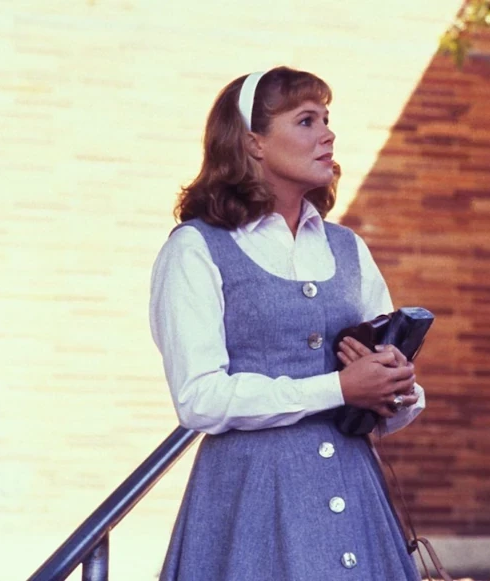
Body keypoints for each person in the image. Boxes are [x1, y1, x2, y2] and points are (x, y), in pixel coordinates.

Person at [149, 66, 425, 581]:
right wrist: (339, 388)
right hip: (251, 504)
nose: (328, 134)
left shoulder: (348, 248)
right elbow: (198, 398)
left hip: (355, 496)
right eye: (306, 121)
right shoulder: (195, 248)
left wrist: (396, 387)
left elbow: (390, 402)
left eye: (326, 119)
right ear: (252, 142)